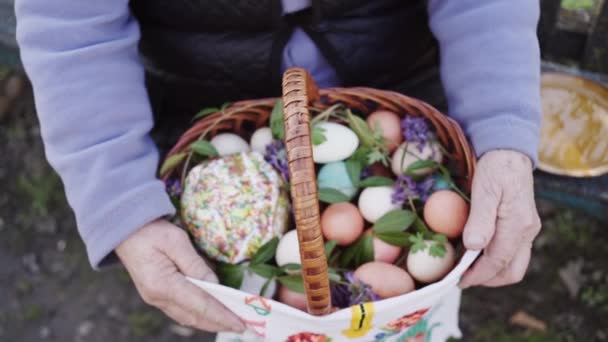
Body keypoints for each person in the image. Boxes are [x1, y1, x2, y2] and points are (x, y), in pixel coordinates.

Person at [15, 0, 542, 339]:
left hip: (402, 110)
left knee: (403, 302)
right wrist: (119, 200)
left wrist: (500, 123)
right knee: (262, 305)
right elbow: (70, 25)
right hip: (223, 122)